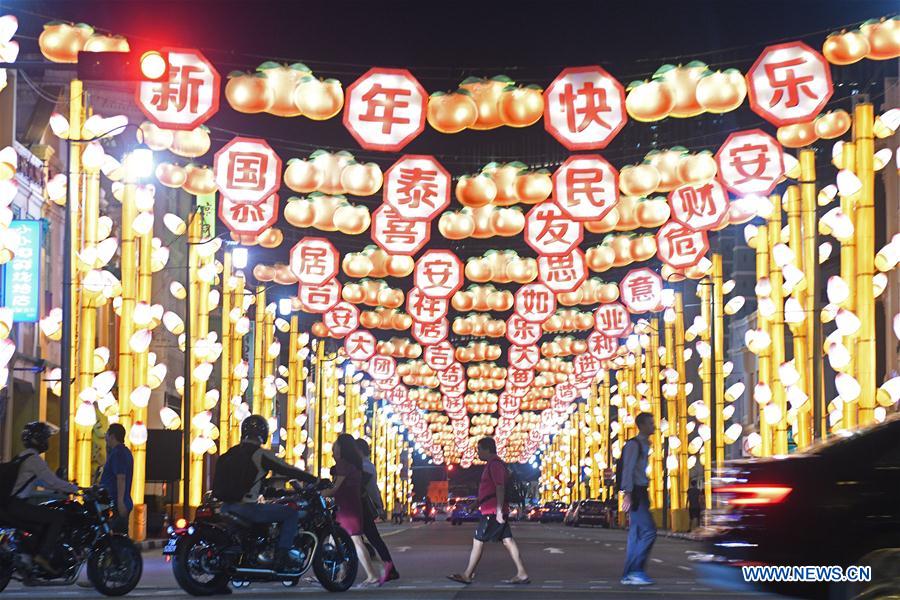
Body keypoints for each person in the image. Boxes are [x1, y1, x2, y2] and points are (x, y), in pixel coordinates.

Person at [212, 415, 316, 573]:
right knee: (290, 513)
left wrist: (273, 490)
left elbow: (251, 482)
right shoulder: (260, 454)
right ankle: (282, 557)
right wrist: (313, 479)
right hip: (247, 508)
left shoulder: (229, 453)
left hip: (226, 507)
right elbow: (287, 469)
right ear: (264, 434)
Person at [447, 437, 529, 585]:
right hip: (491, 509)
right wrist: (475, 504)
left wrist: (498, 511)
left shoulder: (495, 465)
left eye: (479, 449)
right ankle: (522, 573)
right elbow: (489, 490)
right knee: (508, 541)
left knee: (478, 541)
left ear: (487, 449)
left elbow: (499, 487)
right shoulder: (492, 465)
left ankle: (467, 574)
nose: (477, 453)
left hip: (492, 511)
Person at [5, 422, 79, 573]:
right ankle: (43, 556)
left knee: (43, 518)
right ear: (38, 439)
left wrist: (59, 488)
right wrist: (75, 489)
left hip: (10, 504)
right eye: (46, 438)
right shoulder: (35, 460)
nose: (47, 441)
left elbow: (40, 481)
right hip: (18, 505)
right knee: (58, 517)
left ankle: (30, 556)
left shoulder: (22, 457)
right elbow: (52, 481)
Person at [320, 433, 379, 586]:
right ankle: (338, 575)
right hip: (351, 506)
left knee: (354, 542)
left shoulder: (343, 465)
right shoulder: (353, 464)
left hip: (346, 509)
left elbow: (335, 488)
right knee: (337, 541)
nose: (334, 448)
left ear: (342, 448)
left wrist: (319, 494)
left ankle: (371, 575)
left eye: (336, 445)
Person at [620, 412, 657, 586]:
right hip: (636, 492)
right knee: (649, 531)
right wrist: (627, 494)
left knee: (636, 535)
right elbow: (628, 469)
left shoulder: (645, 444)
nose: (654, 426)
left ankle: (629, 574)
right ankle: (635, 570)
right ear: (641, 425)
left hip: (641, 490)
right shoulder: (634, 445)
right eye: (650, 423)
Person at [355, 438, 398, 584]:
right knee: (370, 539)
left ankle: (385, 566)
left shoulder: (364, 466)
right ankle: (388, 567)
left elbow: (367, 487)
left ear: (359, 450)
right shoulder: (366, 465)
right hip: (362, 507)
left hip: (363, 507)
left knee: (365, 539)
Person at [99, 423, 133, 535]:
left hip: (116, 503)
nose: (105, 437)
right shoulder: (122, 452)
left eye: (107, 434)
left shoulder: (119, 453)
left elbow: (121, 478)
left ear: (112, 436)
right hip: (117, 502)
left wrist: (120, 502)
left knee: (117, 537)